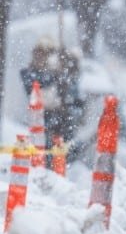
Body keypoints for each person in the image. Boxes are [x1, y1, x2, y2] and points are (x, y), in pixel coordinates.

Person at [20, 38, 84, 166]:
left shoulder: (60, 75)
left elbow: (73, 95)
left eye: (45, 54)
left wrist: (66, 65)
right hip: (43, 118)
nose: (42, 58)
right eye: (40, 53)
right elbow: (39, 83)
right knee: (45, 150)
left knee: (62, 150)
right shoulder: (30, 73)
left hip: (60, 119)